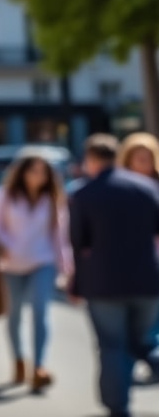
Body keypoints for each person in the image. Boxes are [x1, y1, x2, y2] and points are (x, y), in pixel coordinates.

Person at [69, 133, 159, 417]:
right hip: (147, 279)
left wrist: (76, 285)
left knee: (112, 346)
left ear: (91, 159)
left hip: (103, 283)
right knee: (141, 342)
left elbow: (78, 244)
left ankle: (118, 407)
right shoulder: (146, 188)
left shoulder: (84, 193)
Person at [0, 151, 71, 392]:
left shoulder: (53, 199)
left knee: (40, 311)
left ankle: (39, 365)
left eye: (43, 172)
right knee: (14, 314)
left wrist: (66, 268)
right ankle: (19, 359)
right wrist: (6, 246)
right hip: (11, 264)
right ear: (22, 172)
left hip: (42, 261)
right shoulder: (5, 196)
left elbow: (59, 236)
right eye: (33, 171)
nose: (38, 176)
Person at [117, 132, 159, 381]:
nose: (144, 163)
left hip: (155, 263)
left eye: (148, 158)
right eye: (139, 158)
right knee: (131, 320)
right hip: (129, 264)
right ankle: (129, 365)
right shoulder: (119, 189)